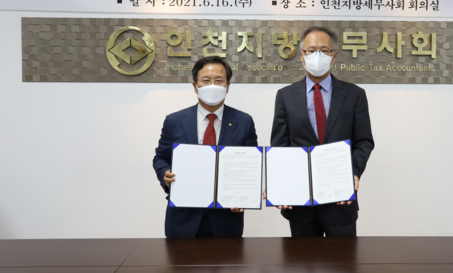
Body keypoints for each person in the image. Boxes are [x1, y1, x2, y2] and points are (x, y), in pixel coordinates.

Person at [268, 26, 374, 237]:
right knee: (302, 258)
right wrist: (280, 185)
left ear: (334, 56)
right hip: (300, 202)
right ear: (302, 55)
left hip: (340, 200)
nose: (318, 55)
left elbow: (364, 141)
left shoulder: (355, 95)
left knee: (343, 258)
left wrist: (354, 171)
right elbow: (280, 146)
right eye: (311, 50)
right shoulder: (285, 96)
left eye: (324, 50)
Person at [153, 56, 258, 238]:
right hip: (183, 217)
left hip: (226, 219)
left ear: (227, 86)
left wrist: (244, 196)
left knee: (227, 258)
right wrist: (164, 173)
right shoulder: (174, 121)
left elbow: (251, 165)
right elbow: (160, 158)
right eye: (206, 80)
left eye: (218, 81)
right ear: (195, 86)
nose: (212, 86)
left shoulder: (244, 121)